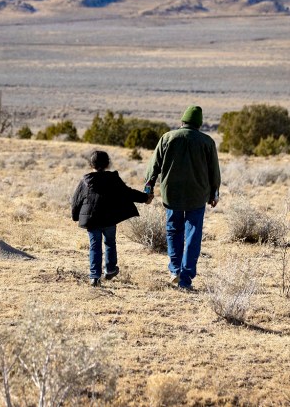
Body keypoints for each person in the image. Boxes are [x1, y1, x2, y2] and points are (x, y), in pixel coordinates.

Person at [144, 105, 221, 290]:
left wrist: (149, 186)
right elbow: (214, 172)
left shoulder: (168, 137)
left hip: (172, 194)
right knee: (193, 235)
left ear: (182, 121)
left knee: (173, 230)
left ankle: (174, 270)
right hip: (197, 195)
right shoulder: (207, 141)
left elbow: (153, 165)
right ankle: (186, 279)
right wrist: (214, 193)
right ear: (199, 123)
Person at [71, 150, 152, 286]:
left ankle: (94, 276)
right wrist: (145, 198)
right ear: (108, 164)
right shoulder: (113, 179)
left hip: (92, 219)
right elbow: (127, 193)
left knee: (94, 246)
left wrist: (75, 216)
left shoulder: (85, 181)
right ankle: (110, 269)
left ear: (91, 164)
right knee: (110, 243)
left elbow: (75, 200)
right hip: (109, 218)